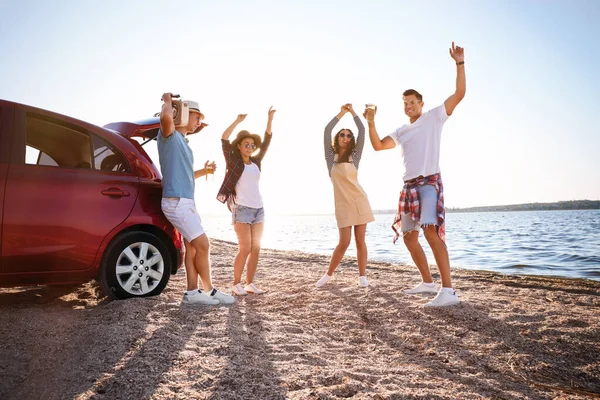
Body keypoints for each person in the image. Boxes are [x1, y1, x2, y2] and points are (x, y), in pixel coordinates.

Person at [363, 42, 466, 307]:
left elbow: (460, 93)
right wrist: (371, 122)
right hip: (408, 188)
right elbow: (377, 145)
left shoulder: (434, 117)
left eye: (412, 102)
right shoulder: (401, 131)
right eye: (405, 103)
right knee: (410, 237)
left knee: (431, 232)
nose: (408, 106)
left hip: (428, 183)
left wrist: (459, 62)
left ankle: (448, 291)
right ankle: (427, 282)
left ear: (421, 103)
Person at [158, 93, 235, 306]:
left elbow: (184, 174)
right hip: (176, 202)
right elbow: (165, 119)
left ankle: (192, 293)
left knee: (192, 247)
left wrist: (205, 170)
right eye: (196, 116)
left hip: (186, 201)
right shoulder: (169, 135)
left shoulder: (183, 141)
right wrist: (167, 102)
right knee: (203, 244)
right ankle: (209, 290)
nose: (199, 122)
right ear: (182, 114)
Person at [217, 107, 276, 296]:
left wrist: (269, 118)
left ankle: (250, 283)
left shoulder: (256, 162)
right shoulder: (234, 162)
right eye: (246, 144)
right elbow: (224, 140)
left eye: (252, 145)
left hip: (259, 209)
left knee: (256, 248)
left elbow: (267, 141)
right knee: (245, 248)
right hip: (242, 209)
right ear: (239, 146)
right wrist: (237, 121)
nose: (250, 147)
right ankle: (236, 284)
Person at [316, 104, 375, 288]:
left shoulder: (355, 156)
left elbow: (363, 130)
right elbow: (327, 130)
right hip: (342, 205)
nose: (346, 137)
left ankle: (362, 276)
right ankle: (328, 274)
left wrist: (354, 113)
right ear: (337, 138)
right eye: (342, 134)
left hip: (360, 201)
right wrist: (342, 113)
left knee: (360, 241)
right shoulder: (330, 157)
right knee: (344, 242)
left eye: (349, 135)